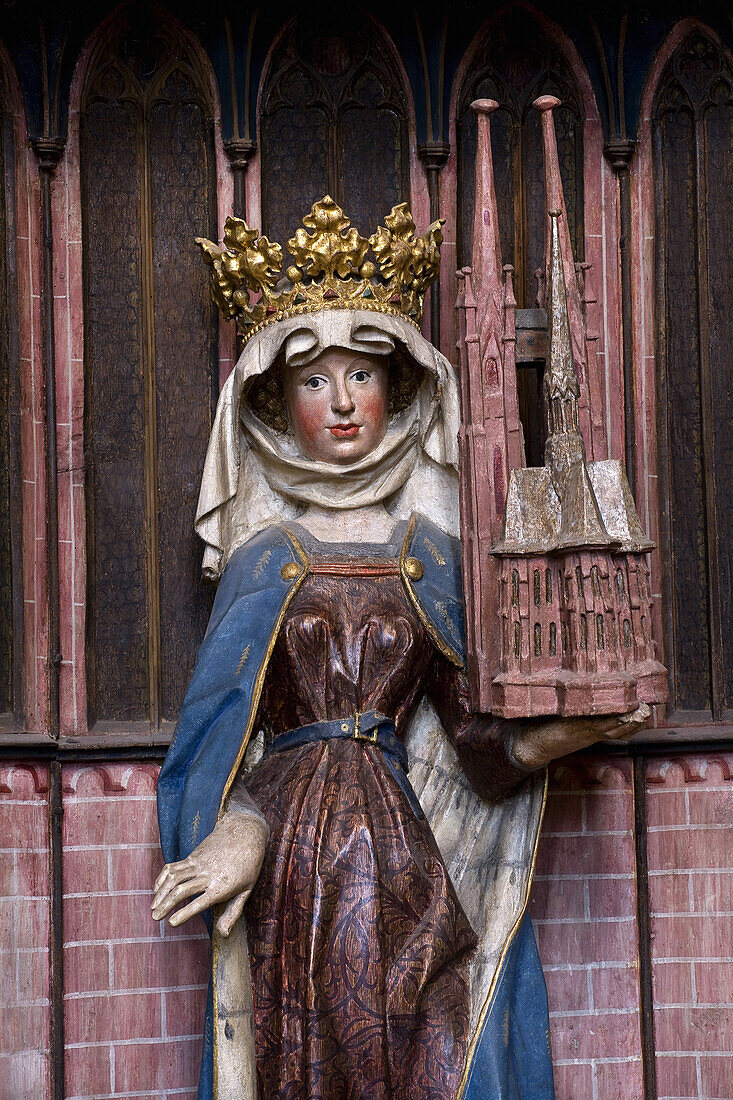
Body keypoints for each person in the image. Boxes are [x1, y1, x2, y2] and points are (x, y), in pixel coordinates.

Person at [152, 202, 646, 1100]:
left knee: (435, 1043)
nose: (341, 403)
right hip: (294, 868)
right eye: (313, 381)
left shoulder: (433, 554)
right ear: (272, 402)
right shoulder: (265, 560)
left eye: (362, 374)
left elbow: (481, 753)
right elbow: (220, 747)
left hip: (406, 861)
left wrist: (573, 732)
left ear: (401, 390)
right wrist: (237, 834)